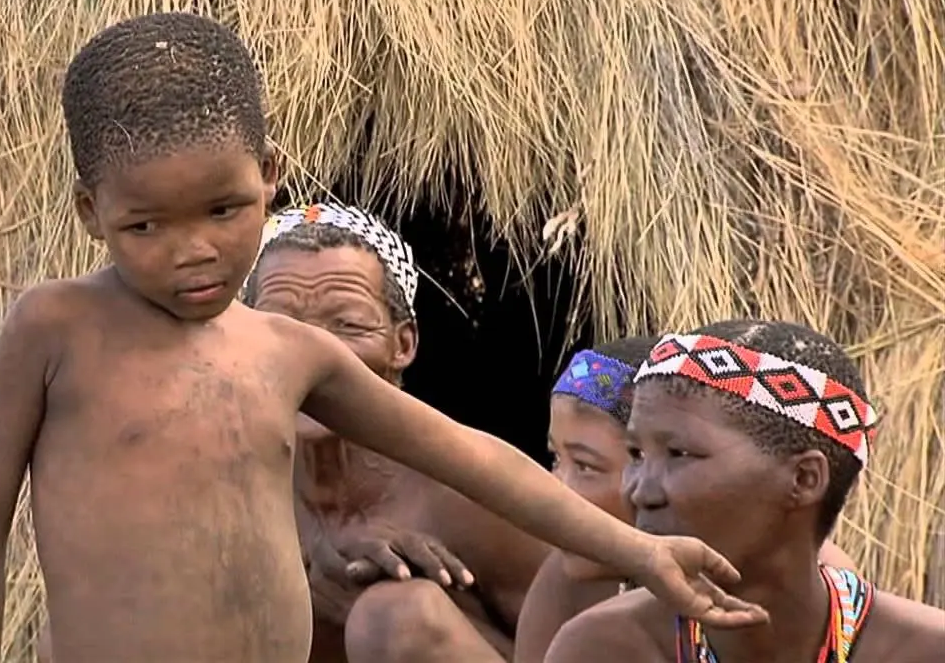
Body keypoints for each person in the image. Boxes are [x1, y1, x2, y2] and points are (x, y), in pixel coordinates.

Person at [0, 11, 765, 663]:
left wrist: (641, 552)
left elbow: (476, 459)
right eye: (146, 224)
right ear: (92, 215)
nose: (193, 249)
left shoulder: (286, 354)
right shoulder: (57, 328)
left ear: (269, 174)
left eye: (224, 210)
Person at [243, 203, 552, 663]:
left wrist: (416, 626)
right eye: (281, 324)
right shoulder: (224, 487)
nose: (311, 352)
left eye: (346, 324)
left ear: (402, 344)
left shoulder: (470, 490)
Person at [544, 321, 945, 663]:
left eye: (679, 453)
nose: (639, 491)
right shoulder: (602, 648)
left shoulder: (924, 650)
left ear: (804, 479)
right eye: (636, 454)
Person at [512, 336, 858, 663]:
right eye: (555, 459)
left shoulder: (815, 588)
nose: (557, 487)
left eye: (586, 465)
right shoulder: (565, 579)